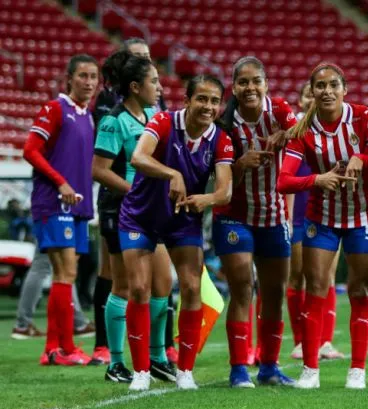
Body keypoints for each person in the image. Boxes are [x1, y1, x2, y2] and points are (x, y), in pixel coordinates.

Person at [119, 74, 234, 391]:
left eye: (214, 101)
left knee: (192, 288)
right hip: (140, 216)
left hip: (183, 218)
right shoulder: (163, 122)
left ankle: (185, 371)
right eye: (202, 99)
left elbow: (224, 192)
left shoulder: (220, 140)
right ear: (187, 101)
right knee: (140, 289)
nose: (208, 106)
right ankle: (141, 371)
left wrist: (206, 198)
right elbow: (138, 157)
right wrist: (172, 174)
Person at [278, 63, 368, 389]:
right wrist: (317, 179)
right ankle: (310, 370)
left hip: (362, 216)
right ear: (312, 92)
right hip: (321, 218)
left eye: (333, 85)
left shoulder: (362, 117)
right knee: (315, 289)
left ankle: (358, 370)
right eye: (320, 86)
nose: (327, 91)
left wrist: (362, 159)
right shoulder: (303, 130)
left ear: (344, 89)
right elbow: (284, 180)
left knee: (359, 290)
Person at [91, 38, 177, 367]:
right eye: (154, 81)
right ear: (136, 86)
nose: (159, 86)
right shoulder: (113, 120)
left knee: (162, 283)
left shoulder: (156, 113)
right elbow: (98, 170)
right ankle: (115, 361)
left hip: (153, 210)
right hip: (123, 209)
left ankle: (157, 356)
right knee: (126, 285)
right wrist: (134, 190)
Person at [212, 56, 296, 387]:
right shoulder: (223, 124)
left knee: (274, 292)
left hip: (273, 215)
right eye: (243, 82)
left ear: (265, 84)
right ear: (234, 87)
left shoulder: (278, 111)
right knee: (243, 287)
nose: (250, 88)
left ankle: (270, 367)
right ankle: (238, 368)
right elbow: (213, 174)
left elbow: (303, 128)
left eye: (256, 81)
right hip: (234, 216)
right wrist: (238, 165)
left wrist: (285, 134)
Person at [23, 54, 99, 366]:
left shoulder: (88, 116)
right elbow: (30, 150)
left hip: (79, 205)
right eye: (83, 75)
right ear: (69, 78)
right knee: (64, 273)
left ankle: (61, 348)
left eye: (94, 76)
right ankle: (58, 348)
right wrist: (60, 183)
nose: (89, 82)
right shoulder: (55, 109)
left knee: (67, 273)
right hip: (55, 201)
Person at [286, 81, 344, 362]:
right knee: (298, 277)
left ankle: (325, 342)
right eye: (309, 94)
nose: (315, 98)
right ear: (301, 102)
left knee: (327, 277)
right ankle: (300, 341)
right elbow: (284, 177)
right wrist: (285, 216)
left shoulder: (337, 130)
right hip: (299, 214)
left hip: (330, 212)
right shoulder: (293, 133)